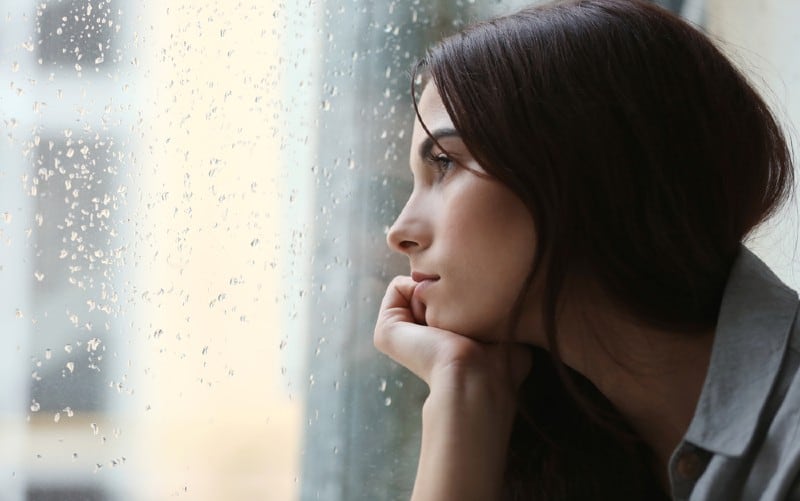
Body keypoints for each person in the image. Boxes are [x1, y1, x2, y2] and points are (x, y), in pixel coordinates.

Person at [372, 0, 798, 499]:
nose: (399, 231)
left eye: (444, 164)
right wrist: (461, 389)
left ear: (590, 165)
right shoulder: (558, 442)